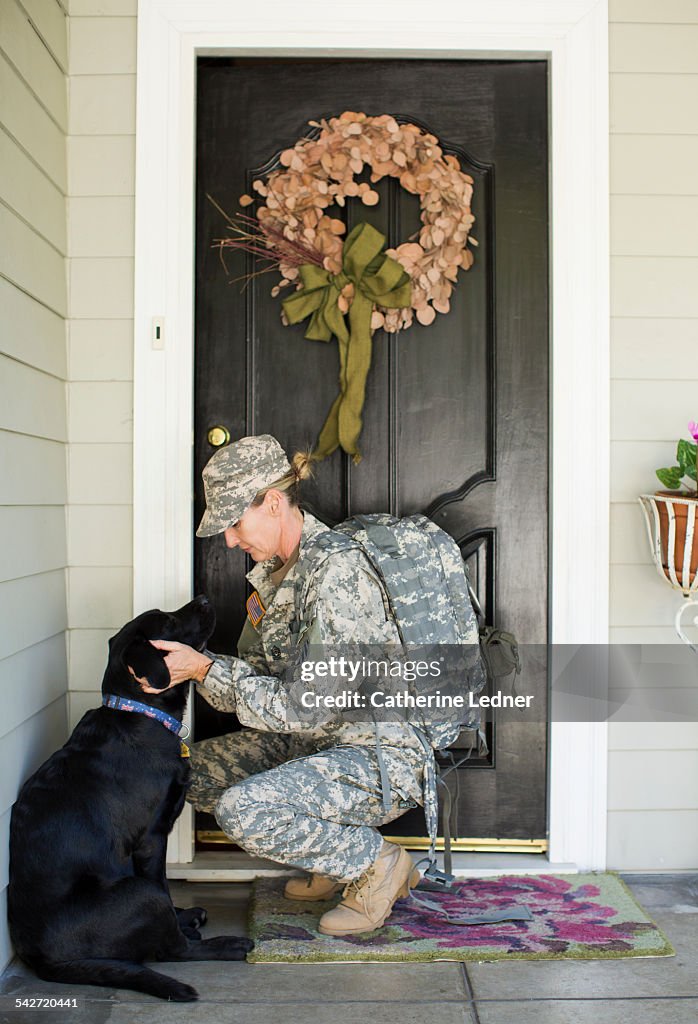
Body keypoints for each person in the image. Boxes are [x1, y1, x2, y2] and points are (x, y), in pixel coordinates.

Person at [144, 434, 431, 936]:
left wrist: (206, 671)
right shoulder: (278, 573)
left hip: (378, 758)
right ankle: (333, 857)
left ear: (273, 503)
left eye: (234, 522)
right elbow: (261, 679)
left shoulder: (336, 571)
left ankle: (377, 866)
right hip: (310, 744)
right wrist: (195, 664)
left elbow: (305, 706)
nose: (229, 540)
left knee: (242, 810)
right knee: (179, 770)